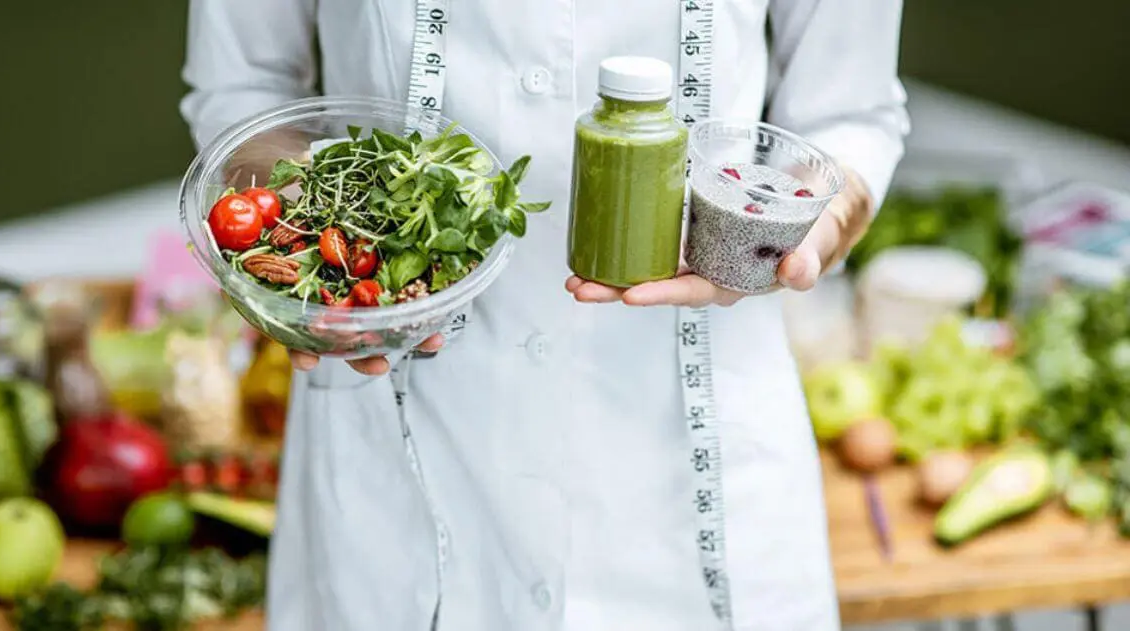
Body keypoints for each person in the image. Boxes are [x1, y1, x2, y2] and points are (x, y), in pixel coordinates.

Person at [180, 1, 909, 629]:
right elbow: (244, 84)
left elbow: (848, 116)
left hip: (693, 466)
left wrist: (786, 236)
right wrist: (300, 251)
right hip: (389, 439)